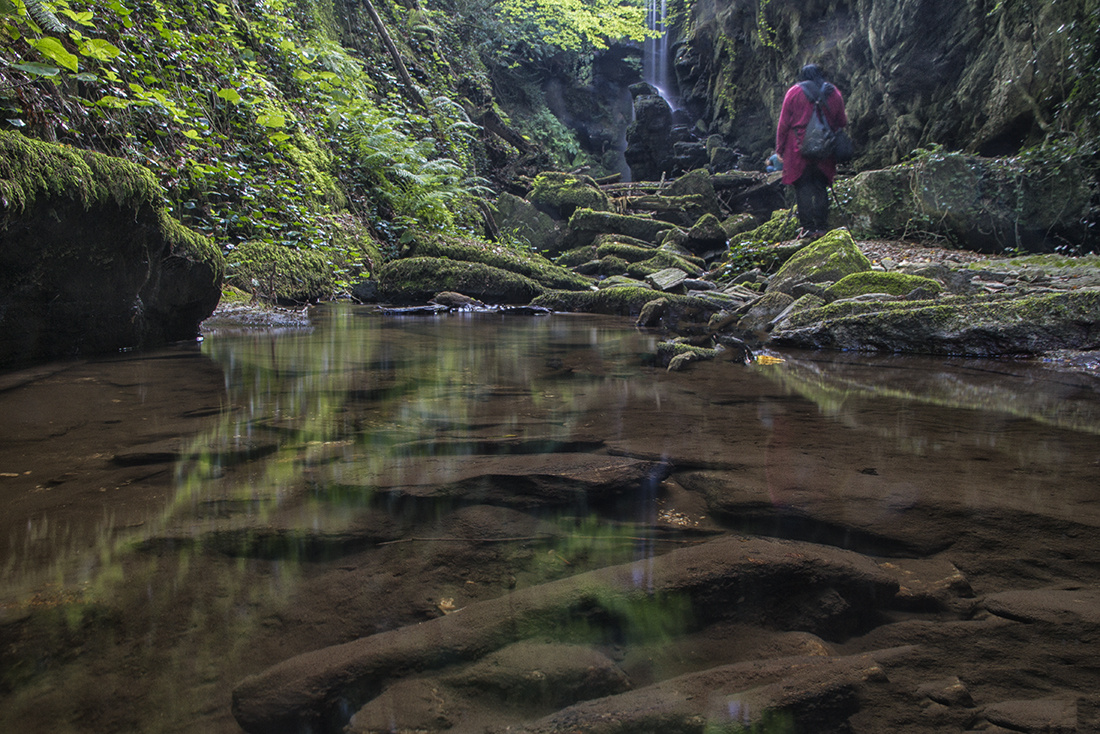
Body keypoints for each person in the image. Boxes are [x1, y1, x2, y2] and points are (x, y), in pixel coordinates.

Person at [775, 64, 848, 239]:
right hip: (825, 148)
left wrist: (779, 148)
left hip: (798, 147)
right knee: (821, 186)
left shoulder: (794, 92)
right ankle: (822, 227)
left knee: (803, 187)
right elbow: (842, 121)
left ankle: (807, 228)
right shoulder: (834, 93)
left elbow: (784, 123)